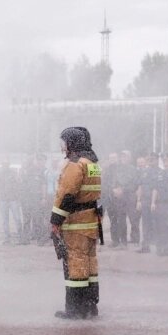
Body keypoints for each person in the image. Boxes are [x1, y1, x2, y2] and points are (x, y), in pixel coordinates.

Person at [50, 127, 102, 319]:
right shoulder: (92, 163)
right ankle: (90, 306)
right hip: (90, 222)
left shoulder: (74, 165)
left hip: (76, 224)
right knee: (90, 264)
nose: (62, 146)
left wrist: (55, 220)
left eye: (64, 142)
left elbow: (67, 194)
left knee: (75, 263)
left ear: (72, 143)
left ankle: (75, 309)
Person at [109, 150, 139, 249]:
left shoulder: (133, 169)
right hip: (119, 198)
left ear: (130, 158)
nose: (123, 159)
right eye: (122, 157)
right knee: (121, 220)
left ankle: (136, 240)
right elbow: (114, 181)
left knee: (133, 219)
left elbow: (135, 184)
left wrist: (123, 189)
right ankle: (123, 242)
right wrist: (114, 189)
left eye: (125, 157)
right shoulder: (118, 169)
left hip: (130, 197)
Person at [136, 152, 160, 253]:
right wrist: (138, 200)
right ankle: (145, 246)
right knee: (145, 224)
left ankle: (158, 247)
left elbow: (157, 188)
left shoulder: (160, 172)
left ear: (157, 160)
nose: (151, 161)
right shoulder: (144, 172)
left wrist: (153, 202)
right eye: (149, 159)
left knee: (157, 224)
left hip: (157, 202)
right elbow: (140, 186)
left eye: (153, 159)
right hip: (145, 201)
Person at [0, 161, 22, 244]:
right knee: (5, 220)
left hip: (13, 199)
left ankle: (20, 236)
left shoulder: (14, 174)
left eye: (6, 164)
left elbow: (18, 185)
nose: (5, 166)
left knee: (17, 218)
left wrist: (18, 197)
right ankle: (7, 237)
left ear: (9, 165)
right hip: (3, 200)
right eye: (4, 164)